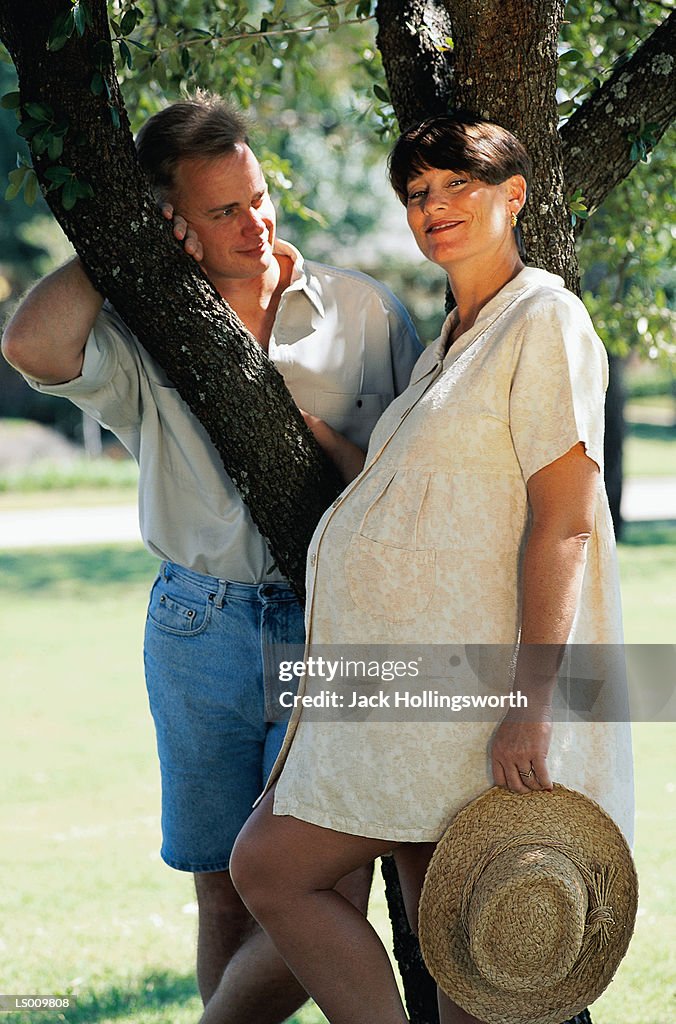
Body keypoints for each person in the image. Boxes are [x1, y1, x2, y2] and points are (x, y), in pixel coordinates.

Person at [0, 93, 422, 1024]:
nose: (255, 223)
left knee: (326, 882)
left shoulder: (365, 313)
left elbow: (419, 482)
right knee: (222, 885)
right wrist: (122, 250)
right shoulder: (143, 332)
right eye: (223, 210)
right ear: (172, 220)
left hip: (335, 628)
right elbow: (29, 342)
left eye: (259, 197)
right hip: (200, 627)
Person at [229, 115, 634, 1024]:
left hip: (473, 695)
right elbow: (422, 497)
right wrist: (319, 437)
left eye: (459, 185)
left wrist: (532, 706)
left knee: (273, 868)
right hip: (410, 695)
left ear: (514, 194)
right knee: (452, 946)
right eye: (418, 194)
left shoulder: (544, 319)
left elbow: (564, 524)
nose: (435, 207)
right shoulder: (451, 341)